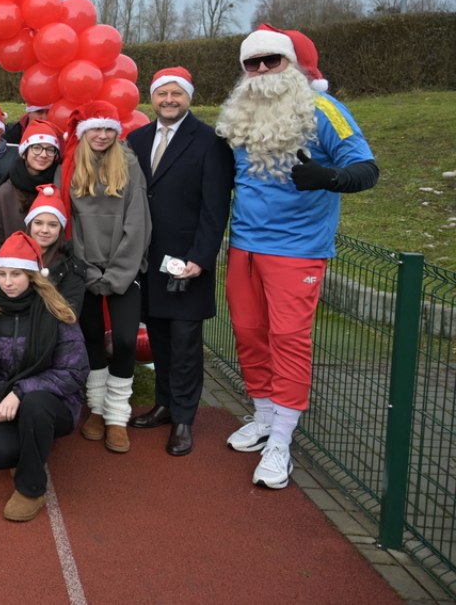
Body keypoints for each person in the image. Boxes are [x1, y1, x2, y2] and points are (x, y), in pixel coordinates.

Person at [216, 25, 378, 489]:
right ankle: (265, 416)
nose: (263, 69)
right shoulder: (240, 110)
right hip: (245, 244)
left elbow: (366, 169)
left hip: (297, 249)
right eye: (253, 63)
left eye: (273, 60)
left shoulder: (323, 108)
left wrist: (328, 177)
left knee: (288, 338)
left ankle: (283, 439)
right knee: (248, 332)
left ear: (292, 64)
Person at [126, 67, 233, 457]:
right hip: (147, 261)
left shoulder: (210, 142)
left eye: (176, 94)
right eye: (161, 94)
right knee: (159, 338)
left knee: (186, 341)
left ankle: (185, 419)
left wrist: (201, 258)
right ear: (151, 99)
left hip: (186, 262)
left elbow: (215, 206)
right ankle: (166, 405)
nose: (168, 100)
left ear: (188, 97)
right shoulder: (136, 139)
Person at [0, 232, 87, 522]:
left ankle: (31, 489)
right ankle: (30, 445)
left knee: (36, 404)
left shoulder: (56, 312)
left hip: (53, 404)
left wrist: (21, 390)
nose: (7, 281)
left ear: (32, 275)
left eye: (16, 274)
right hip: (1, 404)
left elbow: (74, 372)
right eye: (2, 273)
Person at [63, 100, 151, 455]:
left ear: (116, 131)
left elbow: (137, 223)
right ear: (85, 133)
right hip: (83, 269)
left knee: (127, 341)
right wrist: (86, 269)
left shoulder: (129, 164)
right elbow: (68, 223)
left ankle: (118, 414)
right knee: (90, 336)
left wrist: (117, 272)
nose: (101, 135)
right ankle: (97, 410)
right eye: (95, 129)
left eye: (108, 129)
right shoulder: (70, 166)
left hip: (123, 269)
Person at [0, 120, 63, 250]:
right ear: (24, 153)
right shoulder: (4, 193)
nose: (43, 155)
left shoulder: (61, 184)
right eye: (37, 148)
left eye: (50, 150)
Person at [25, 184, 86, 317]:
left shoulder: (71, 268)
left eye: (53, 224)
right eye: (38, 223)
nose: (45, 230)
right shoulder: (10, 259)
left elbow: (69, 313)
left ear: (61, 229)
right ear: (30, 225)